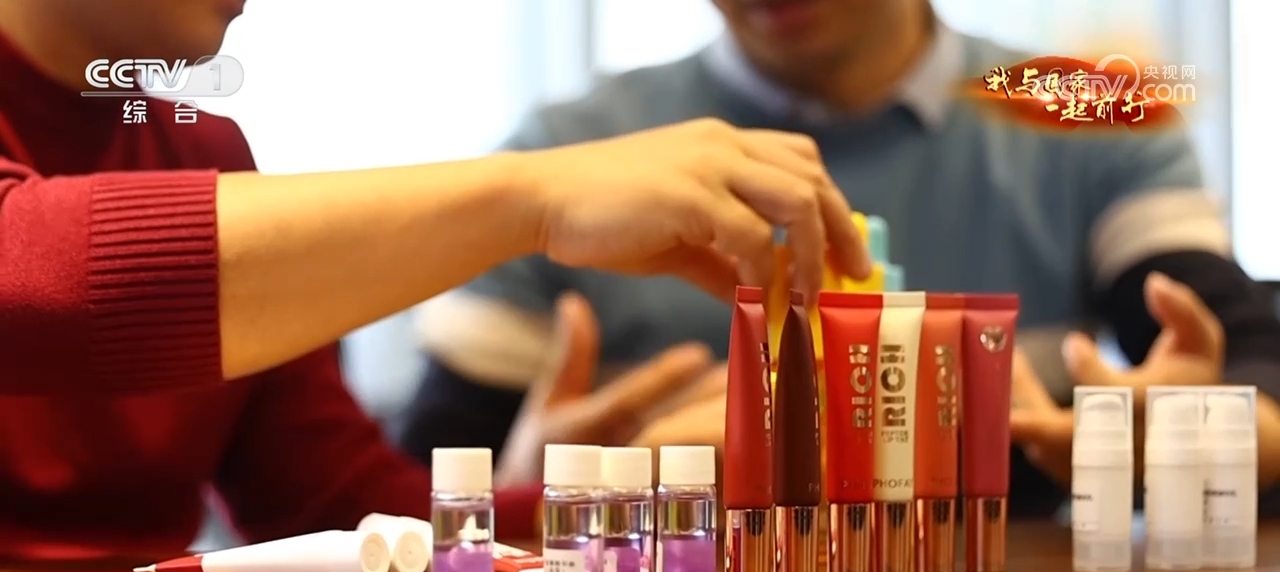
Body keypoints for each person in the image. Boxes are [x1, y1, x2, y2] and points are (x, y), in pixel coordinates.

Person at [0, 0, 868, 557]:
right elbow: (34, 270)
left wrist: (622, 499)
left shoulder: (203, 150)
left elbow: (348, 513)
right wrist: (535, 196)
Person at [403, 0, 1280, 518]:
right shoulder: (563, 165)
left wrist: (1208, 437)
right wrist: (524, 492)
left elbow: (1251, 373)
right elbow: (404, 498)